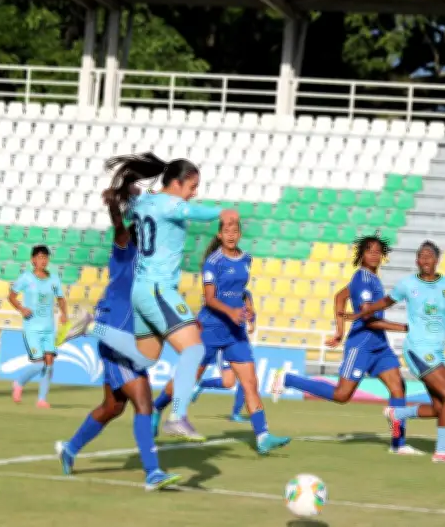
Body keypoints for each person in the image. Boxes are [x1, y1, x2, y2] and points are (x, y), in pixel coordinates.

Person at [80, 152, 238, 441]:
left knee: (146, 357)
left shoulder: (144, 203)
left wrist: (124, 195)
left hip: (141, 290)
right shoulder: (171, 204)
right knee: (194, 350)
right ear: (177, 183)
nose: (194, 193)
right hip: (158, 289)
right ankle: (177, 416)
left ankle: (90, 327)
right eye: (192, 186)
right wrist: (223, 212)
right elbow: (196, 212)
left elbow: (127, 212)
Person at [56, 187, 180, 490]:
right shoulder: (127, 252)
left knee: (113, 406)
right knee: (143, 402)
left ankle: (70, 448)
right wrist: (114, 204)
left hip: (128, 339)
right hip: (114, 333)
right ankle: (153, 473)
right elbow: (119, 227)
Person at [270, 235, 419, 455]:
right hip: (361, 345)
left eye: (377, 251)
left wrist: (339, 330)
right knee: (342, 395)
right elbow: (368, 319)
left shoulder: (371, 278)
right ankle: (287, 379)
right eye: (369, 251)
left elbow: (340, 297)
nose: (374, 255)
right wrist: (405, 328)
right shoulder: (363, 279)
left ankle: (398, 444)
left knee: (398, 387)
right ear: (361, 255)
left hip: (379, 344)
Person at [153, 220, 290, 454]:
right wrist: (232, 311)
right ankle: (156, 408)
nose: (231, 235)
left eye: (235, 231)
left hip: (235, 332)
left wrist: (249, 309)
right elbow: (210, 298)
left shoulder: (246, 259)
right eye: (226, 231)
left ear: (240, 234)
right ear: (219, 234)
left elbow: (242, 291)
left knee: (250, 383)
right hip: (210, 329)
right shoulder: (213, 262)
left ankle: (263, 436)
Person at [345, 240, 445, 465]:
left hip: (437, 351)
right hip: (418, 349)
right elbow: (385, 302)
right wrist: (363, 312)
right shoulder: (408, 284)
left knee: (441, 407)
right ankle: (441, 453)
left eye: (429, 256)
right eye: (421, 256)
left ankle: (397, 414)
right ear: (417, 261)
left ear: (437, 260)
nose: (424, 259)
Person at [8, 245, 68, 408]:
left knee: (49, 362)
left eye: (45, 257)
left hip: (49, 329)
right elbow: (11, 296)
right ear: (33, 260)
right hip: (32, 328)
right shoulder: (26, 278)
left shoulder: (54, 280)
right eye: (40, 257)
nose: (43, 260)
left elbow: (61, 298)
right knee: (39, 364)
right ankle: (19, 382)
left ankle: (42, 399)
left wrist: (64, 314)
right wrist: (21, 309)